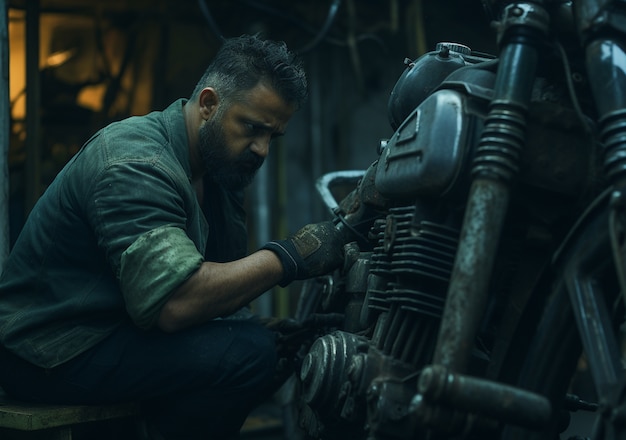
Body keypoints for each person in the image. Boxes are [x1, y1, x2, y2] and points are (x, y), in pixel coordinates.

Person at [0, 34, 352, 439]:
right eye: (253, 128)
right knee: (249, 355)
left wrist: (257, 324)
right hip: (48, 350)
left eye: (272, 136)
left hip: (113, 330)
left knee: (266, 346)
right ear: (208, 104)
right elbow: (176, 302)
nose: (262, 150)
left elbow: (208, 281)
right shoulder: (135, 163)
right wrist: (290, 256)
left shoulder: (219, 170)